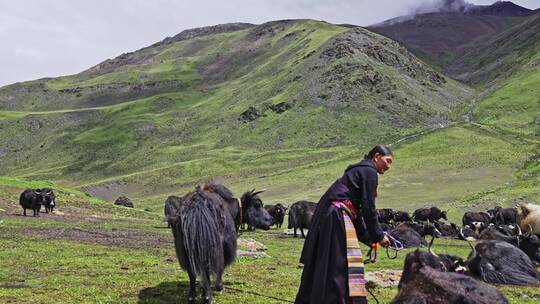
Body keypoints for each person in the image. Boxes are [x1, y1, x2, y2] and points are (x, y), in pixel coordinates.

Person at [295, 145, 394, 304]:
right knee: (339, 265)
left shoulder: (357, 171)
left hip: (335, 216)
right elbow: (369, 208)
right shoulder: (369, 172)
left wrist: (371, 240)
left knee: (331, 263)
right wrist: (379, 235)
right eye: (387, 161)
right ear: (376, 156)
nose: (389, 166)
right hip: (337, 217)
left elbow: (358, 211)